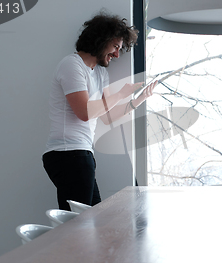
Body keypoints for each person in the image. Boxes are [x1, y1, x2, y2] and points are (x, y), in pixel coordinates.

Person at [42, 11, 157, 211]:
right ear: (100, 39)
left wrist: (139, 99)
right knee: (80, 225)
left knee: (88, 221)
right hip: (68, 154)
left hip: (81, 154)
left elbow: (107, 116)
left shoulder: (100, 73)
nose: (117, 54)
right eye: (115, 47)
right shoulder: (72, 65)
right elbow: (85, 112)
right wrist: (121, 94)